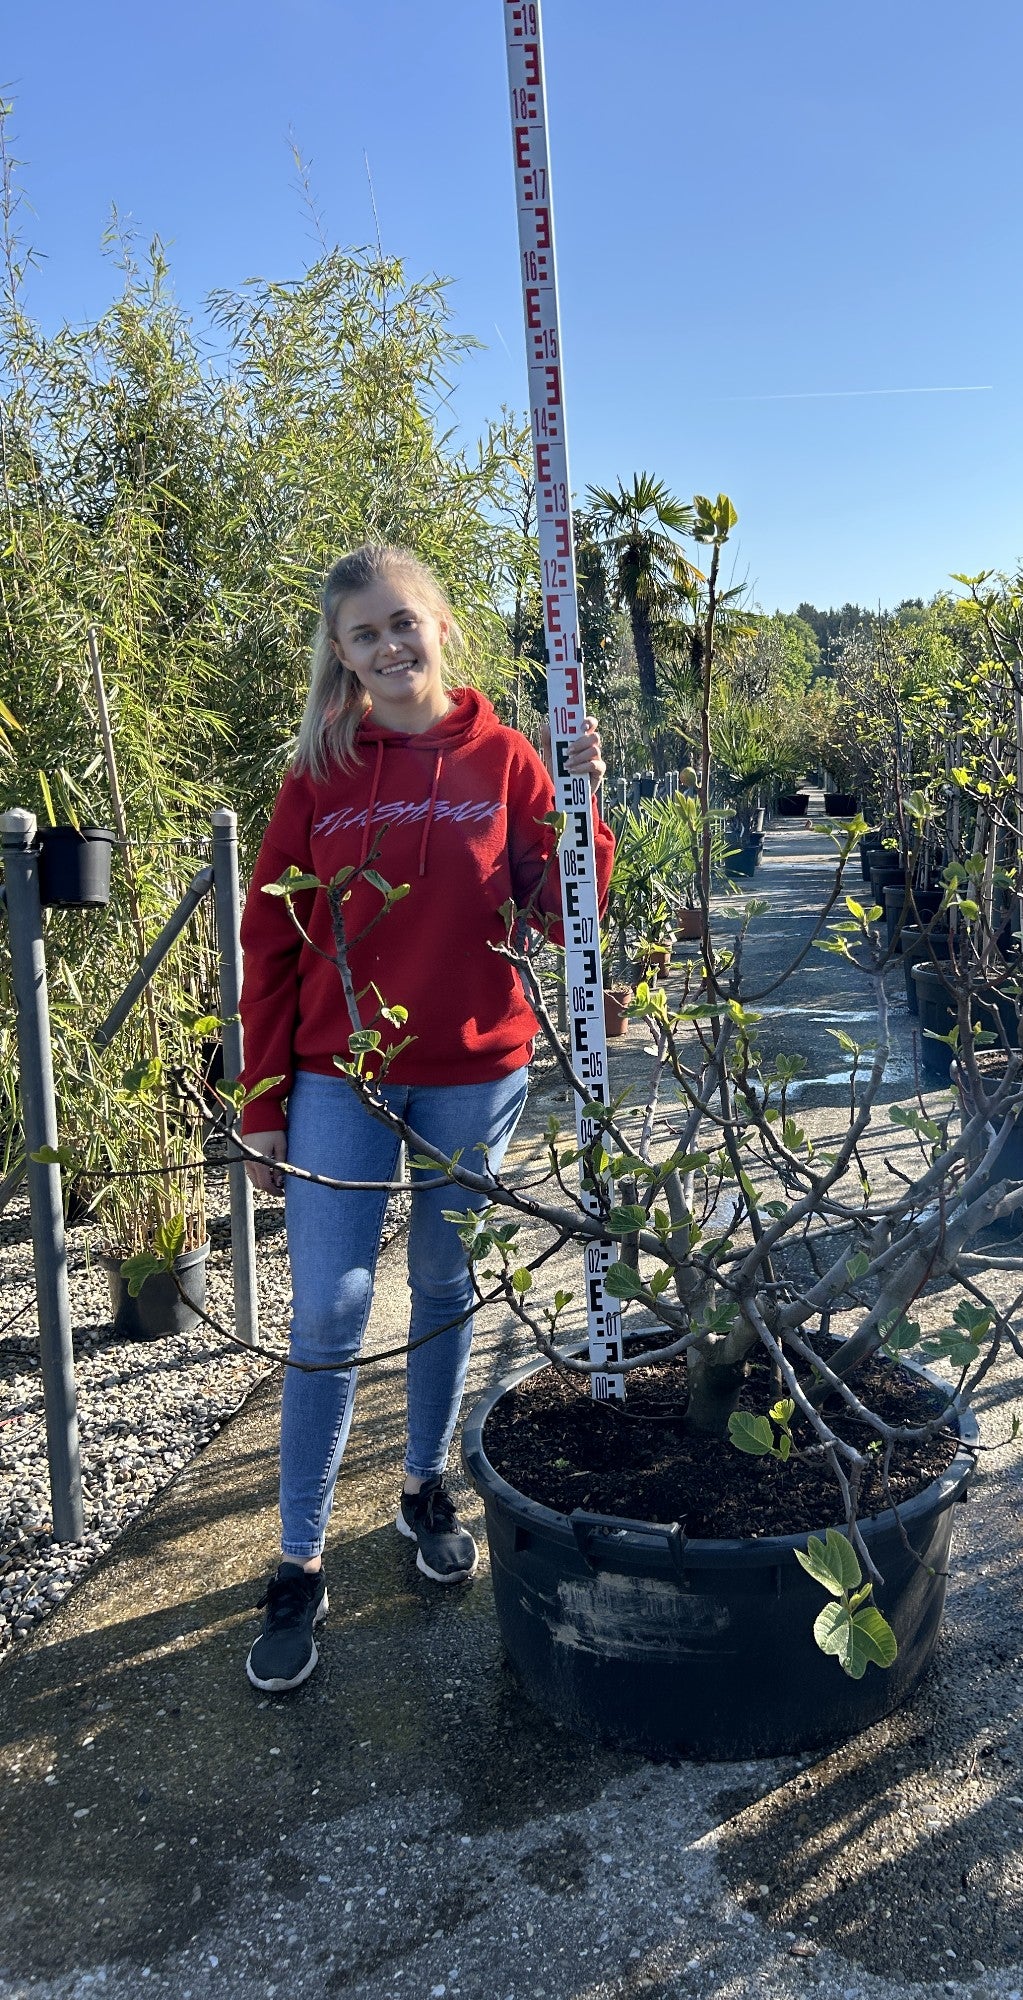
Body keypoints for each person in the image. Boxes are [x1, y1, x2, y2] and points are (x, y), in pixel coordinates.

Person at [237, 543, 611, 1692]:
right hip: (339, 1074)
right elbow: (270, 940)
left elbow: (566, 910)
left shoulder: (504, 759)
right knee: (332, 1308)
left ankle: (422, 1483)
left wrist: (585, 794)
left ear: (441, 625)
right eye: (365, 635)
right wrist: (262, 1101)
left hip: (471, 1069)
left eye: (404, 623)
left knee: (447, 1279)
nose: (390, 647)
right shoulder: (321, 771)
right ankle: (299, 1556)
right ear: (340, 657)